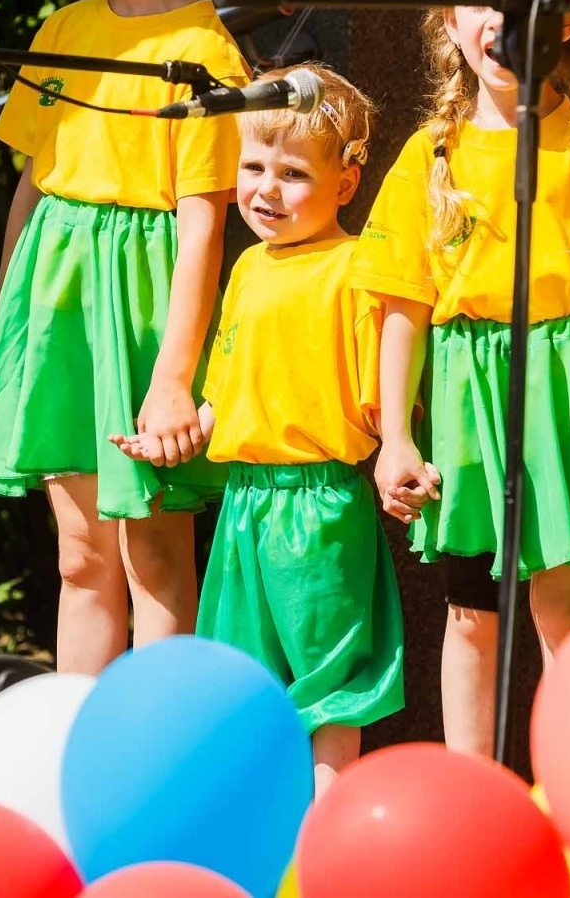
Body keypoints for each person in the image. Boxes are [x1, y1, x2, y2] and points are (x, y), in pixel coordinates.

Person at [350, 0, 570, 757]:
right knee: (471, 613)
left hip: (568, 389)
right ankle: (473, 788)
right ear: (449, 22)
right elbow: (402, 306)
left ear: (567, 20)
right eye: (478, 2)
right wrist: (395, 435)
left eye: (522, 1)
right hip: (468, 393)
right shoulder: (430, 155)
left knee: (566, 611)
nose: (498, 20)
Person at [0, 0, 247, 673]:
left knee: (154, 558)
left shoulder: (204, 52)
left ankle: (156, 737)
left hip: (143, 323)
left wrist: (172, 378)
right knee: (80, 558)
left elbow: (202, 227)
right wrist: (10, 332)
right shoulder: (62, 29)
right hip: (59, 317)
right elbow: (33, 186)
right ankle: (74, 733)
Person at [112, 65, 403, 794]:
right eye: (253, 168)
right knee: (243, 674)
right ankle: (263, 822)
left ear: (345, 183)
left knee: (329, 680)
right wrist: (179, 435)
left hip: (321, 506)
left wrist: (404, 447)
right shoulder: (245, 267)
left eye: (293, 173)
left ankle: (322, 827)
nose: (266, 190)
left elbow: (379, 398)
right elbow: (226, 392)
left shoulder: (356, 267)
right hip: (245, 501)